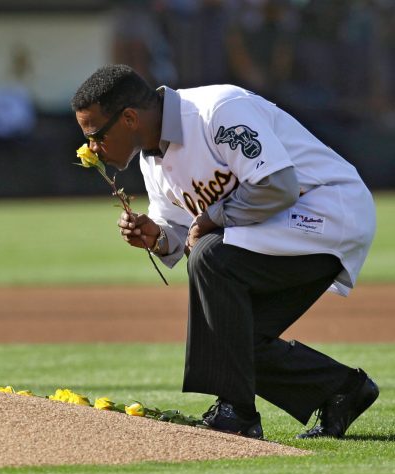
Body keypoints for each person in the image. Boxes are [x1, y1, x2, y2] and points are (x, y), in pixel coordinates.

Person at [70, 64, 378, 439]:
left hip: (328, 209)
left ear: (130, 117)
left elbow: (278, 187)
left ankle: (238, 414)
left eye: (95, 135)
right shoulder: (153, 160)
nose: (92, 148)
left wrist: (210, 219)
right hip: (285, 227)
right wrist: (156, 237)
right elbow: (181, 232)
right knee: (234, 337)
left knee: (211, 257)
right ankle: (340, 389)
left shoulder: (216, 110)